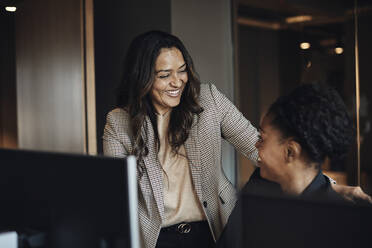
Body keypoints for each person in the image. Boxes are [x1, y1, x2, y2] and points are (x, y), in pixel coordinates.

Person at [103, 31, 371, 248]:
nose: (177, 82)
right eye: (164, 75)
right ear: (142, 78)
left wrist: (330, 187)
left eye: (182, 70)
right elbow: (116, 196)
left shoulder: (208, 100)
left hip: (214, 229)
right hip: (155, 237)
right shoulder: (119, 122)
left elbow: (262, 149)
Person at [216, 82, 372, 248]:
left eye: (262, 138)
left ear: (291, 151)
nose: (256, 145)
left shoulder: (338, 220)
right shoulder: (258, 187)